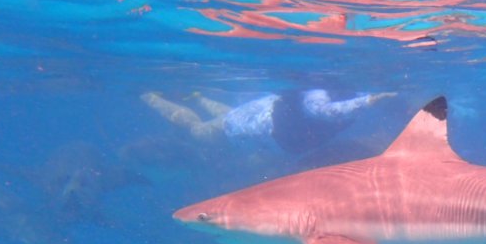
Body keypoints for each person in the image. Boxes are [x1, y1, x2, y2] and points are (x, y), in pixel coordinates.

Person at [141, 88, 396, 159]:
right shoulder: (321, 95)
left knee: (231, 117)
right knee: (199, 131)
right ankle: (149, 96)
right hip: (260, 127)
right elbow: (325, 111)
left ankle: (199, 96)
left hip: (263, 123)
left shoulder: (347, 86)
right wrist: (370, 101)